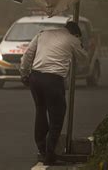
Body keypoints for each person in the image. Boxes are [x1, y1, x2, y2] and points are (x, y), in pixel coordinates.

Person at [20, 21, 88, 165]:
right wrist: (79, 43)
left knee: (40, 110)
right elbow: (84, 59)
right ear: (75, 33)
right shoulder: (73, 39)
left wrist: (24, 74)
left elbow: (27, 55)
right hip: (53, 80)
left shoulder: (43, 34)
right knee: (57, 116)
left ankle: (42, 148)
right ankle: (50, 154)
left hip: (36, 77)